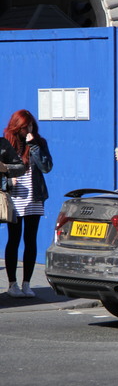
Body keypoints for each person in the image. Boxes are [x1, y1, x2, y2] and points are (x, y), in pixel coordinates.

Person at [3, 109, 51, 298]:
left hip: (34, 197)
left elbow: (47, 168)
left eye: (30, 126)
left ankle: (27, 283)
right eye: (24, 127)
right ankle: (12, 284)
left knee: (30, 241)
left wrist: (35, 146)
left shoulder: (39, 143)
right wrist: (8, 181)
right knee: (13, 240)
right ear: (16, 127)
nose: (28, 130)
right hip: (13, 199)